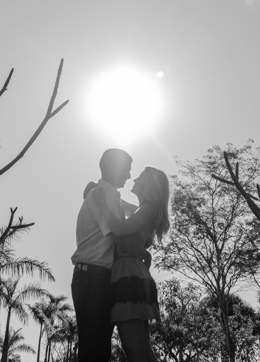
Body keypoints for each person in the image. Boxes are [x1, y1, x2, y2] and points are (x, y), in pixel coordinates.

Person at [95, 166, 171, 362]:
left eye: (139, 178)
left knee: (135, 350)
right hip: (133, 271)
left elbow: (120, 230)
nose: (134, 180)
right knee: (144, 351)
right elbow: (122, 206)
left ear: (148, 186)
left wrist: (102, 203)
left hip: (129, 273)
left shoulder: (147, 209)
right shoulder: (144, 210)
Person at [71, 148, 134, 362]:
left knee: (100, 351)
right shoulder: (99, 195)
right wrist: (143, 252)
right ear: (113, 167)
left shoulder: (112, 197)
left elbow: (136, 211)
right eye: (126, 169)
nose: (128, 175)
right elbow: (117, 233)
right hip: (92, 277)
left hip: (101, 278)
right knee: (94, 352)